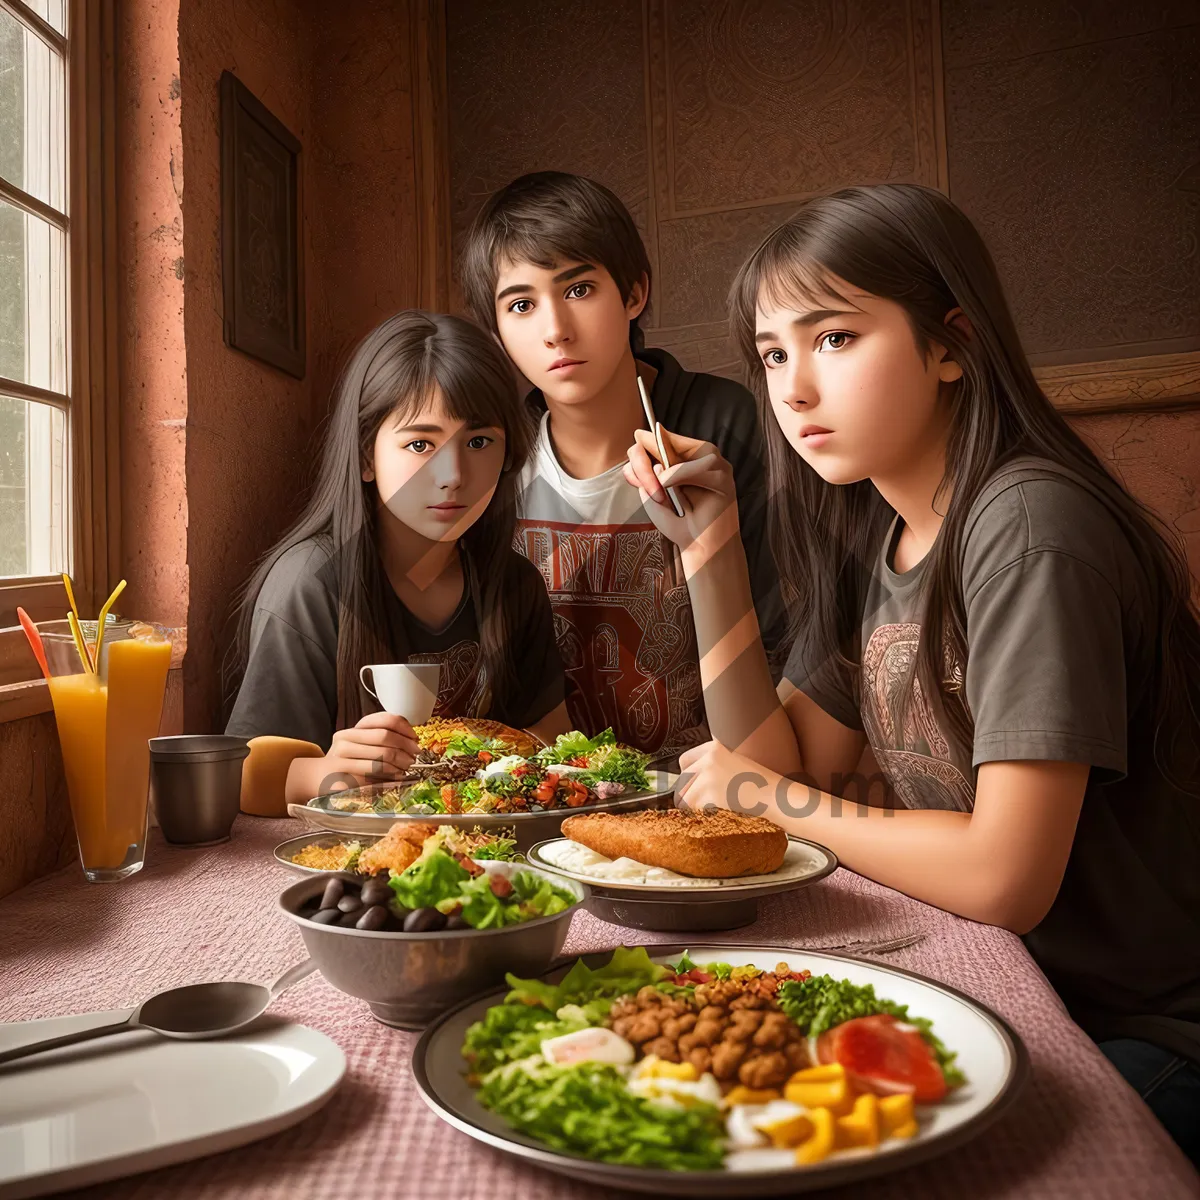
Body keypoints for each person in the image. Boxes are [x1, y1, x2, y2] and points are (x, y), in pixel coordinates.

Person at [624, 184, 1200, 1162]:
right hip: (1027, 994)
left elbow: (1002, 877)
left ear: (950, 345)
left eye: (835, 339)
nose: (794, 389)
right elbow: (791, 764)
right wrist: (710, 553)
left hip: (1154, 1032)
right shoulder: (880, 540)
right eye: (773, 355)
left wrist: (762, 792)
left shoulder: (1028, 529)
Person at [459, 171, 788, 765]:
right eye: (522, 305)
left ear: (634, 293)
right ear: (496, 331)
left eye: (579, 289)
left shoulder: (725, 427)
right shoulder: (492, 460)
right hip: (552, 796)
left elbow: (792, 634)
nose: (555, 329)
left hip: (718, 783)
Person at [226, 310, 569, 804]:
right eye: (420, 443)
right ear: (367, 455)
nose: (453, 474)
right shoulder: (312, 584)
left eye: (478, 442)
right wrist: (330, 769)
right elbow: (239, 777)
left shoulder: (513, 584)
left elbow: (553, 746)